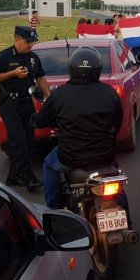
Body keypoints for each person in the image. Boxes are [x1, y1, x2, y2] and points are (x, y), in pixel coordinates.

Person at [31, 46, 125, 210]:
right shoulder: (110, 93)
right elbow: (117, 124)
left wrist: (34, 120)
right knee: (115, 177)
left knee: (48, 164)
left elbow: (41, 120)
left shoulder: (60, 95)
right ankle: (127, 221)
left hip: (70, 157)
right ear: (97, 69)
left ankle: (54, 209)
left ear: (72, 69)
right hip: (104, 156)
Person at [0, 26, 51, 191]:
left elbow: (40, 78)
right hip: (8, 104)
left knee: (30, 141)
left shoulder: (33, 58)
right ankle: (27, 176)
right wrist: (13, 73)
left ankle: (13, 176)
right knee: (18, 142)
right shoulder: (3, 56)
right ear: (16, 39)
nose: (30, 45)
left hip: (26, 103)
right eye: (27, 42)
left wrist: (49, 96)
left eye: (32, 42)